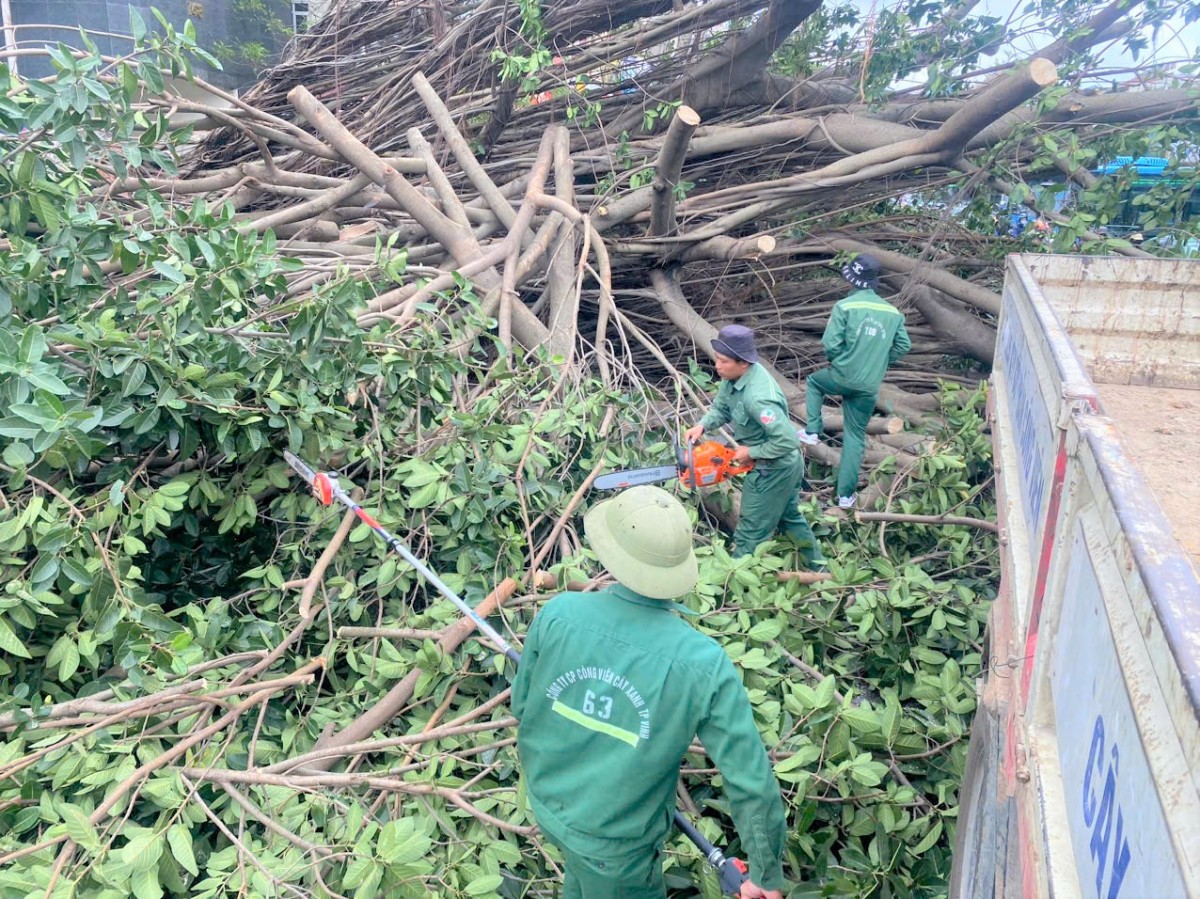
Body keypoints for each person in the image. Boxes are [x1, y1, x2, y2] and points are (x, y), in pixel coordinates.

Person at [511, 485, 788, 899]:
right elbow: (750, 781)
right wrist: (765, 876)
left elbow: (522, 706)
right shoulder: (703, 663)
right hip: (617, 850)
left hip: (550, 809)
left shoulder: (557, 613)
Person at [682, 324, 826, 567]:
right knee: (790, 517)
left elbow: (789, 440)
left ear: (744, 363)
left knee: (750, 529)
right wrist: (703, 426)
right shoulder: (733, 377)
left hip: (775, 467)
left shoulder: (759, 398)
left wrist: (751, 452)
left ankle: (735, 579)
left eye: (724, 361)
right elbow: (721, 407)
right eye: (717, 359)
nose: (718, 366)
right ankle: (819, 567)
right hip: (773, 464)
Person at [797, 254, 911, 508]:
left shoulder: (845, 306)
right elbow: (904, 345)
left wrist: (843, 361)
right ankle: (846, 496)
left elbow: (830, 344)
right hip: (869, 385)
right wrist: (878, 361)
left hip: (842, 375)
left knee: (815, 383)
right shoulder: (892, 312)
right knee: (855, 437)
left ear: (852, 279)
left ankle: (813, 431)